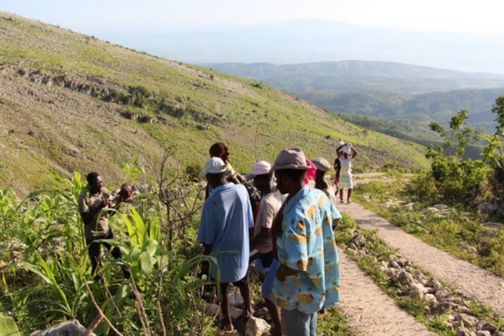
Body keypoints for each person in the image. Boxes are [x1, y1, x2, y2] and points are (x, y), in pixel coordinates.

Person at [269, 148, 341, 336]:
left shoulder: (296, 215)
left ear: (286, 179)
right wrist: (318, 241)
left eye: (277, 178)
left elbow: (297, 263)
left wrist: (282, 270)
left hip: (296, 291)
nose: (276, 183)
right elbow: (336, 218)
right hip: (315, 282)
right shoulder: (318, 196)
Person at [197, 157, 254, 331]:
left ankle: (227, 319)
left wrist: (204, 263)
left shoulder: (212, 202)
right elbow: (249, 222)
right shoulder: (241, 190)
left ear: (210, 178)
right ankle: (249, 308)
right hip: (241, 248)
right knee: (244, 279)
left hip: (221, 254)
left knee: (223, 286)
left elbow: (207, 238)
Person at [246, 161, 285, 336]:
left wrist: (250, 243)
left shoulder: (268, 202)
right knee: (268, 276)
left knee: (242, 262)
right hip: (273, 246)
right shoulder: (277, 194)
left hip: (264, 245)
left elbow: (266, 230)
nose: (254, 183)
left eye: (256, 180)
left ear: (263, 179)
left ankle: (249, 306)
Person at [78, 172, 131, 280]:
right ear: (90, 184)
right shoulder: (84, 197)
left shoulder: (104, 192)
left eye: (101, 182)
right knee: (96, 266)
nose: (100, 185)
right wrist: (99, 207)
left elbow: (111, 213)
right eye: (97, 183)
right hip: (92, 236)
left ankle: (130, 282)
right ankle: (100, 290)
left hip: (106, 232)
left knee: (119, 256)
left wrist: (121, 200)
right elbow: (86, 220)